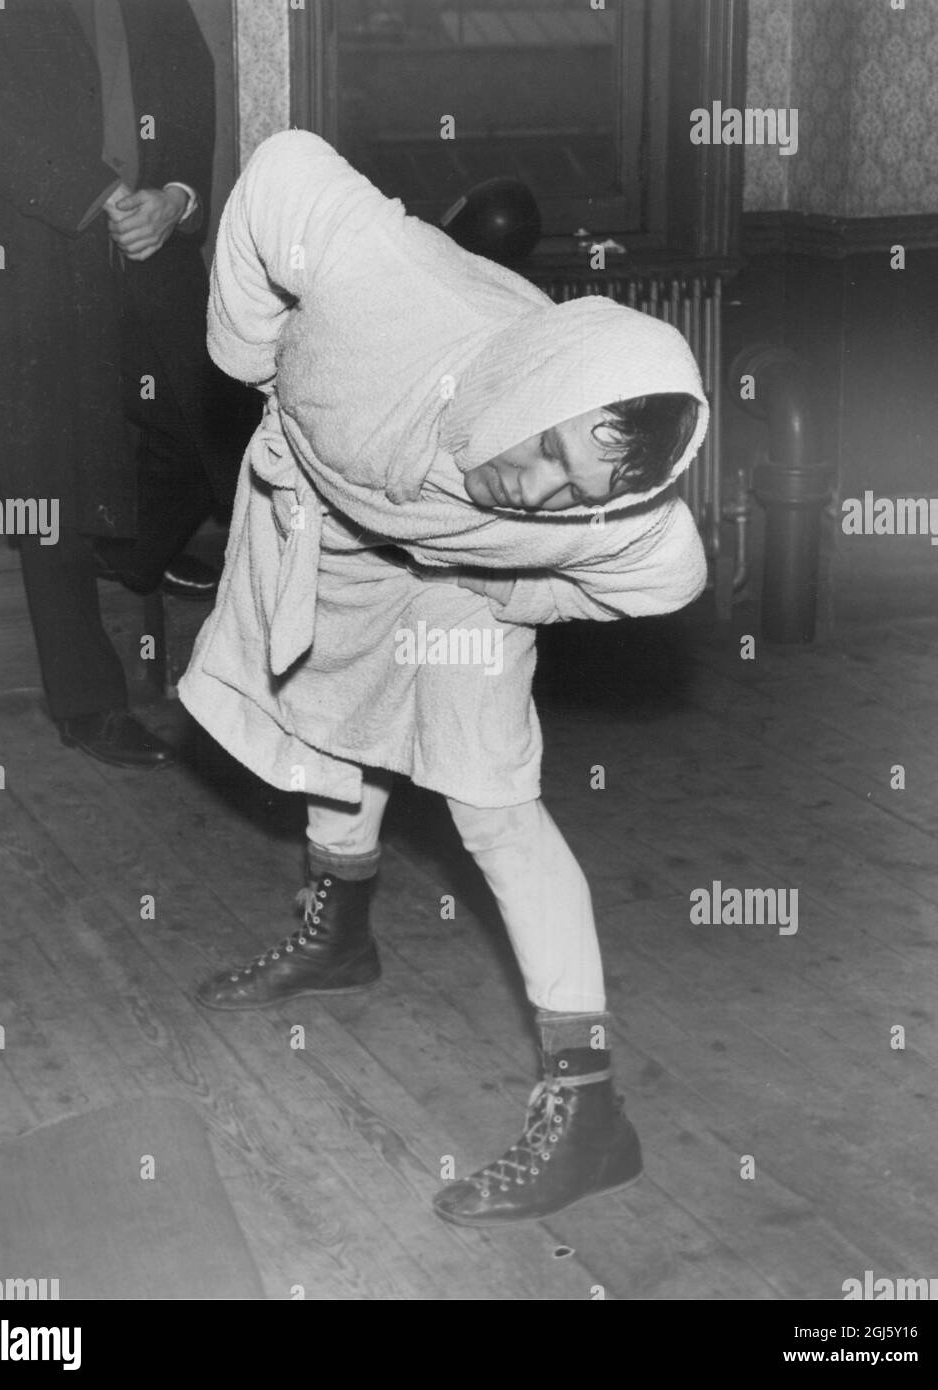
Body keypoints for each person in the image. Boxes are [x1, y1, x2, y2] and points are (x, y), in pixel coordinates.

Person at [179, 131, 710, 1226]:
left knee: (492, 806)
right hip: (334, 497)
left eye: (575, 492)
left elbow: (670, 575)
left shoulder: (610, 520)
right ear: (536, 379)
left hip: (459, 580)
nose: (541, 491)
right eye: (549, 452)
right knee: (325, 706)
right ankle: (339, 932)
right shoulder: (381, 283)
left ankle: (589, 1111)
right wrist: (246, 351)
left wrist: (514, 591)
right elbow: (281, 167)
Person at [0, 0, 254, 768]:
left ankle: (132, 548)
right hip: (42, 265)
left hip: (155, 251)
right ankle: (87, 705)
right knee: (49, 492)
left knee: (215, 433)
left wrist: (176, 198)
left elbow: (189, 79)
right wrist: (100, 197)